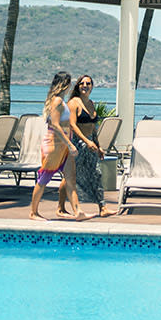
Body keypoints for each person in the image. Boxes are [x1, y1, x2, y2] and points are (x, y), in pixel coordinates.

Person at [30, 71, 87, 221]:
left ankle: (78, 211)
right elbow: (55, 125)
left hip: (64, 146)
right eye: (69, 83)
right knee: (44, 179)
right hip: (54, 144)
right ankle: (33, 213)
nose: (71, 86)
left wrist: (69, 144)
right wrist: (70, 144)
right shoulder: (56, 101)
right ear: (64, 84)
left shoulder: (61, 101)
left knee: (70, 179)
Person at [64, 74, 114, 218]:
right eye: (82, 83)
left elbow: (93, 127)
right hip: (78, 144)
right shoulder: (74, 103)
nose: (85, 85)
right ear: (78, 86)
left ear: (92, 86)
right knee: (71, 175)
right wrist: (87, 141)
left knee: (96, 173)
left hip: (91, 143)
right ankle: (61, 206)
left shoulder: (91, 103)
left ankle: (102, 207)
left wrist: (98, 145)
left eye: (88, 83)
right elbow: (72, 125)